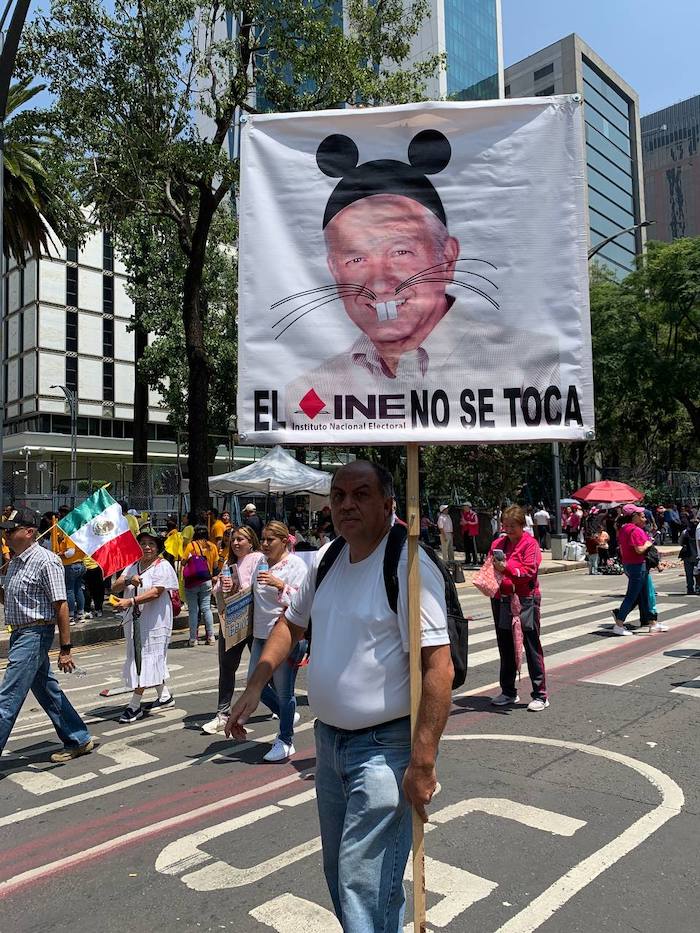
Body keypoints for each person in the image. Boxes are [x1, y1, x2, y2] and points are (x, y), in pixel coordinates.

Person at [226, 461, 452, 932]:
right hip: (328, 746)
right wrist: (256, 682)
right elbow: (291, 624)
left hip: (385, 749)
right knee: (342, 874)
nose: (347, 504)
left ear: (388, 504)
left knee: (361, 881)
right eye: (338, 495)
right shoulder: (328, 557)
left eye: (361, 494)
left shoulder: (409, 565)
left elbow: (438, 668)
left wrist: (423, 761)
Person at [283, 134, 561, 432]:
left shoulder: (535, 371)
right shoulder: (309, 393)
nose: (379, 282)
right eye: (357, 259)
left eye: (401, 252)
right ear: (334, 270)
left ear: (448, 258)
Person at [0, 508, 94, 761]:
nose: (6, 535)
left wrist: (66, 648)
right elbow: (12, 601)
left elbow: (61, 605)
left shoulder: (46, 561)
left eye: (11, 530)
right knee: (46, 690)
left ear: (30, 532)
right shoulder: (15, 562)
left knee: (7, 699)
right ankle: (78, 738)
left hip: (34, 634)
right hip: (19, 633)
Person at [244, 521, 308, 761]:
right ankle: (287, 714)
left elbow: (303, 601)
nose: (265, 544)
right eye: (263, 539)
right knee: (254, 684)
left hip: (286, 635)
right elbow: (250, 592)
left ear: (284, 541)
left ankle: (286, 740)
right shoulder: (260, 562)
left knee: (283, 690)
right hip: (260, 635)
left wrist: (280, 584)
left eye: (270, 539)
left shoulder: (296, 565)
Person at [110, 528, 179, 723]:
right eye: (143, 544)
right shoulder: (133, 565)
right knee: (142, 656)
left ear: (158, 547)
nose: (147, 547)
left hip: (155, 620)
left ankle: (134, 705)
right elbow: (115, 586)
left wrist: (131, 601)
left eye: (151, 544)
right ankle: (164, 696)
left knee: (145, 658)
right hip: (134, 620)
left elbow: (156, 592)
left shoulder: (162, 566)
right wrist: (128, 580)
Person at [201, 526, 264, 735]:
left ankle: (282, 708)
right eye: (233, 539)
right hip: (232, 621)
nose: (236, 543)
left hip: (253, 621)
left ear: (251, 542)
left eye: (241, 539)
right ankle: (222, 714)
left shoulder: (258, 559)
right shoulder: (228, 563)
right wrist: (221, 584)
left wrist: (241, 586)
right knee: (227, 667)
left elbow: (260, 585)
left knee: (263, 668)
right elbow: (217, 592)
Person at [489, 505, 549, 711]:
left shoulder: (530, 544)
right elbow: (490, 566)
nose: (508, 530)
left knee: (531, 645)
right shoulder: (498, 543)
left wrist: (507, 568)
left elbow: (529, 571)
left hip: (525, 598)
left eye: (512, 526)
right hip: (502, 598)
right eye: (505, 525)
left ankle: (540, 694)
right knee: (505, 645)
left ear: (522, 525)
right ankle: (508, 691)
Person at [611, 505, 656, 635]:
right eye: (641, 515)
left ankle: (653, 623)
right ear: (634, 516)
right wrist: (648, 544)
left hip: (629, 564)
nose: (645, 519)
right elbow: (639, 550)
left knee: (645, 595)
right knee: (631, 596)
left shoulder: (623, 529)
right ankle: (619, 624)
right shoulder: (634, 530)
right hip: (637, 565)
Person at [182, 525, 219, 646]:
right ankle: (211, 637)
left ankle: (193, 639)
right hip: (206, 580)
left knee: (193, 610)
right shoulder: (212, 546)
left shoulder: (191, 546)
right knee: (206, 608)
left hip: (192, 581)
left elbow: (183, 561)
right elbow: (215, 566)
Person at [52, 514, 86, 624]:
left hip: (71, 566)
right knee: (78, 589)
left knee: (69, 590)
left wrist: (60, 553)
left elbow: (70, 552)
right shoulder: (79, 534)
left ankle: (70, 615)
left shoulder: (69, 535)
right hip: (80, 564)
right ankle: (80, 613)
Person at [679, 520, 699, 595]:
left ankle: (690, 589)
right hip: (697, 556)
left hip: (687, 556)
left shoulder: (685, 532)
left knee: (689, 574)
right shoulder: (698, 532)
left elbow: (680, 542)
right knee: (698, 573)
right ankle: (698, 587)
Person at [82, 553, 105, 618]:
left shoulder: (82, 546)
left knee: (86, 590)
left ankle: (87, 610)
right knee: (98, 590)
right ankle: (98, 609)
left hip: (85, 567)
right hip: (97, 565)